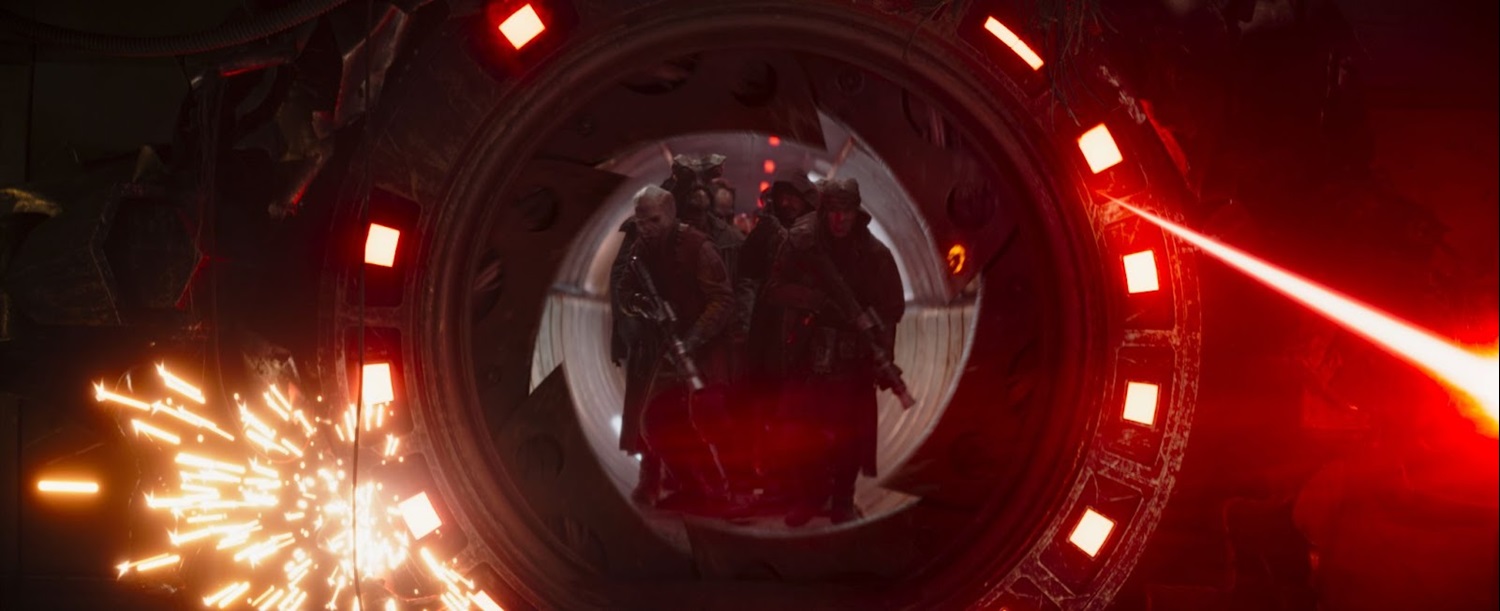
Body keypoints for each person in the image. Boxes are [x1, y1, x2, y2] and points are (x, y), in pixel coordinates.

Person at [762, 177, 905, 526]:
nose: (840, 220)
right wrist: (817, 301)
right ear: (824, 211)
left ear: (857, 212)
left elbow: (891, 311)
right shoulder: (801, 242)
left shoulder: (875, 254)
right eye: (834, 212)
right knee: (801, 431)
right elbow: (774, 289)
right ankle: (809, 498)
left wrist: (883, 358)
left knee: (849, 435)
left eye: (847, 211)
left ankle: (842, 500)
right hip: (808, 351)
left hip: (853, 358)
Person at [611, 185, 739, 514]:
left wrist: (693, 339)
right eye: (641, 221)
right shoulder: (641, 249)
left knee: (713, 421)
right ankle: (695, 489)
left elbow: (723, 300)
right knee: (654, 422)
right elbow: (624, 292)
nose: (646, 228)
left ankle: (731, 495)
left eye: (653, 220)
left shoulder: (699, 247)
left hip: (706, 346)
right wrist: (643, 305)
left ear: (670, 215)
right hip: (671, 348)